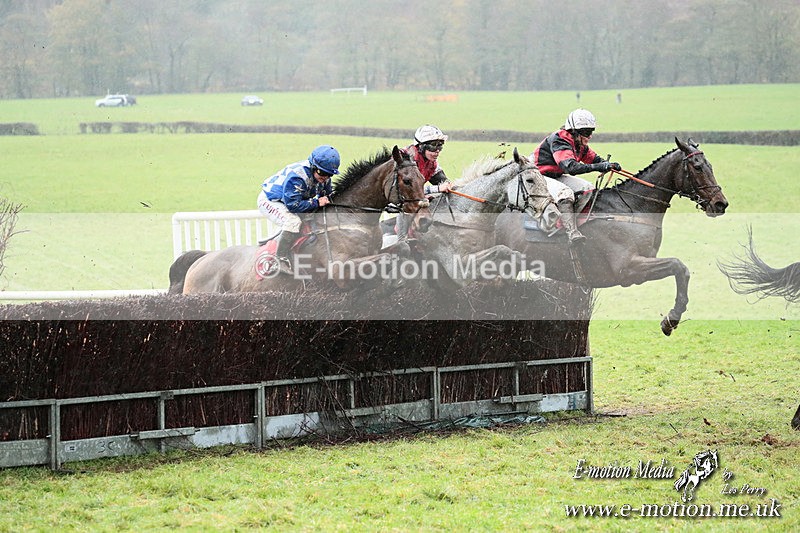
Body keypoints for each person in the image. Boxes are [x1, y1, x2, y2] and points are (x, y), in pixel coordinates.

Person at [533, 109, 621, 245]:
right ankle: (570, 231)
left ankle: (572, 219)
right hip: (537, 176)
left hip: (555, 175)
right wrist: (600, 167)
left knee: (588, 188)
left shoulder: (579, 143)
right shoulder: (559, 140)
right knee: (565, 193)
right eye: (586, 132)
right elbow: (571, 168)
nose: (590, 136)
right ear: (574, 131)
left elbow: (594, 159)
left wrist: (608, 164)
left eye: (591, 131)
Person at [257, 145, 340, 273]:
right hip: (271, 200)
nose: (325, 177)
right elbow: (293, 206)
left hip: (292, 200)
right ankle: (279, 259)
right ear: (313, 167)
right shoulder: (297, 177)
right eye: (322, 173)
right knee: (293, 221)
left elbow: (328, 196)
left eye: (329, 175)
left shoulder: (324, 178)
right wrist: (317, 202)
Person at [382, 125, 452, 242]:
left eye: (440, 146)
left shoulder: (431, 163)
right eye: (432, 146)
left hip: (414, 197)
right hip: (397, 197)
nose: (437, 151)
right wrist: (438, 188)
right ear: (421, 146)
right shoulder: (407, 159)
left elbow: (444, 181)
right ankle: (401, 239)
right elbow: (409, 191)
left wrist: (448, 185)